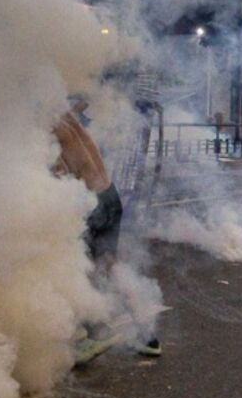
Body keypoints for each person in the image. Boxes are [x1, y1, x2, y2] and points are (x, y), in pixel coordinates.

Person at [53, 101, 161, 357]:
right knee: (109, 265)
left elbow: (58, 172)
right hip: (110, 196)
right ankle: (147, 334)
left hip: (92, 204)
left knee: (80, 268)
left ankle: (95, 335)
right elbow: (80, 104)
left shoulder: (46, 128)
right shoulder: (68, 119)